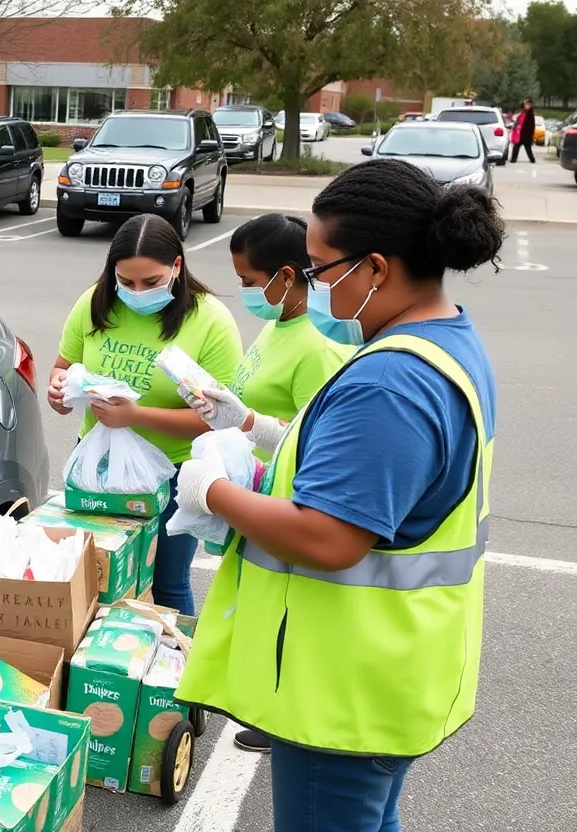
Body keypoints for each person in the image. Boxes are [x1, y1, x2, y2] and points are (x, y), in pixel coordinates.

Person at [174, 158, 501, 831]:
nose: (314, 284)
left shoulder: (390, 383)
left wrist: (212, 492)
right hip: (388, 674)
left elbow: (328, 537)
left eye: (322, 269)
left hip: (344, 691)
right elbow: (364, 478)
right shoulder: (442, 342)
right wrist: (250, 426)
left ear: (375, 268)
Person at [190, 213, 355, 754]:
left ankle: (286, 716)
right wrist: (231, 413)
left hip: (288, 509)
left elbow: (313, 443)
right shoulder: (280, 322)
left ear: (286, 277)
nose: (243, 293)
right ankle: (267, 703)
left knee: (292, 620)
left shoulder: (319, 346)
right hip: (263, 494)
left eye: (247, 282)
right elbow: (267, 408)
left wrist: (245, 432)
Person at [47, 213, 243, 615]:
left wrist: (135, 416)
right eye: (126, 282)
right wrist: (60, 390)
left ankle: (173, 669)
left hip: (175, 475)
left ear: (177, 266)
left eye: (150, 282)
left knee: (167, 582)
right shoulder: (95, 302)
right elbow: (64, 365)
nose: (136, 292)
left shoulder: (210, 322)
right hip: (99, 464)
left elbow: (220, 421)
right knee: (93, 577)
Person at [510, 98, 536, 163]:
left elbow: (532, 126)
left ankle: (532, 159)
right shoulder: (521, 112)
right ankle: (513, 159)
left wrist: (531, 135)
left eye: (528, 105)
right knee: (516, 146)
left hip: (527, 134)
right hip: (520, 133)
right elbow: (517, 120)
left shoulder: (530, 114)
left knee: (528, 148)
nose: (527, 106)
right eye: (526, 104)